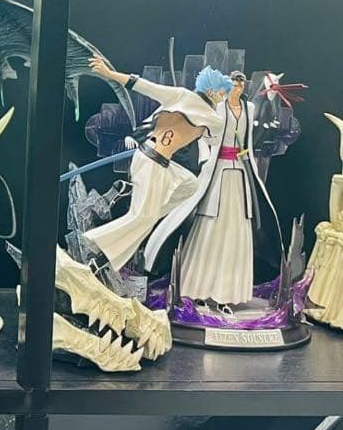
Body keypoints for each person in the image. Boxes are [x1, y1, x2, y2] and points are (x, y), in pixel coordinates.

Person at [85, 55, 232, 272]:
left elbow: (144, 86)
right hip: (151, 162)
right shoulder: (209, 115)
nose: (223, 98)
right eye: (222, 93)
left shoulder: (183, 97)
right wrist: (109, 74)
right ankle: (97, 251)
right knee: (143, 219)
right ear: (212, 90)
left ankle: (140, 207)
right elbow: (144, 86)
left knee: (190, 185)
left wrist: (110, 74)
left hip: (154, 161)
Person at [146, 72, 272, 310]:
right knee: (210, 224)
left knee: (237, 227)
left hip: (240, 172)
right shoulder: (217, 108)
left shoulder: (249, 109)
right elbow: (203, 134)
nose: (237, 88)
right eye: (233, 84)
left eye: (240, 84)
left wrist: (251, 165)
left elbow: (249, 139)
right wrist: (205, 158)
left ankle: (229, 292)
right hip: (217, 170)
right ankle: (198, 288)